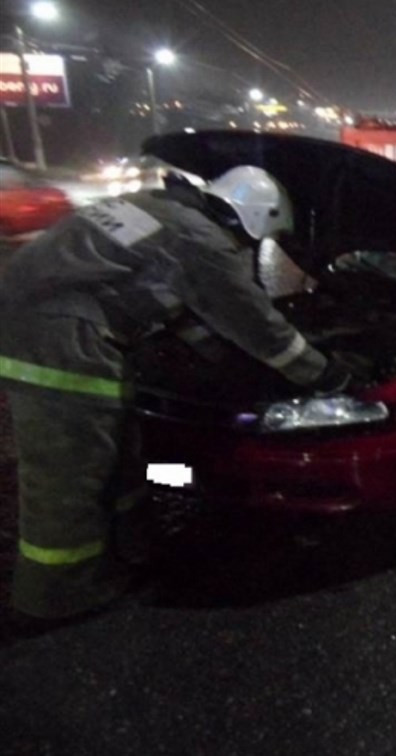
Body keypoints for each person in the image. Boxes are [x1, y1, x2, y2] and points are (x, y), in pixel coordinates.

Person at [0, 165, 349, 625]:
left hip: (52, 322)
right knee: (69, 472)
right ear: (253, 220)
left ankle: (130, 552)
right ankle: (54, 597)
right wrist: (324, 375)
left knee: (118, 452)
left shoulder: (158, 207)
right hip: (58, 338)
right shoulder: (200, 242)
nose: (248, 250)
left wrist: (224, 362)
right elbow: (261, 329)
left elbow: (186, 310)